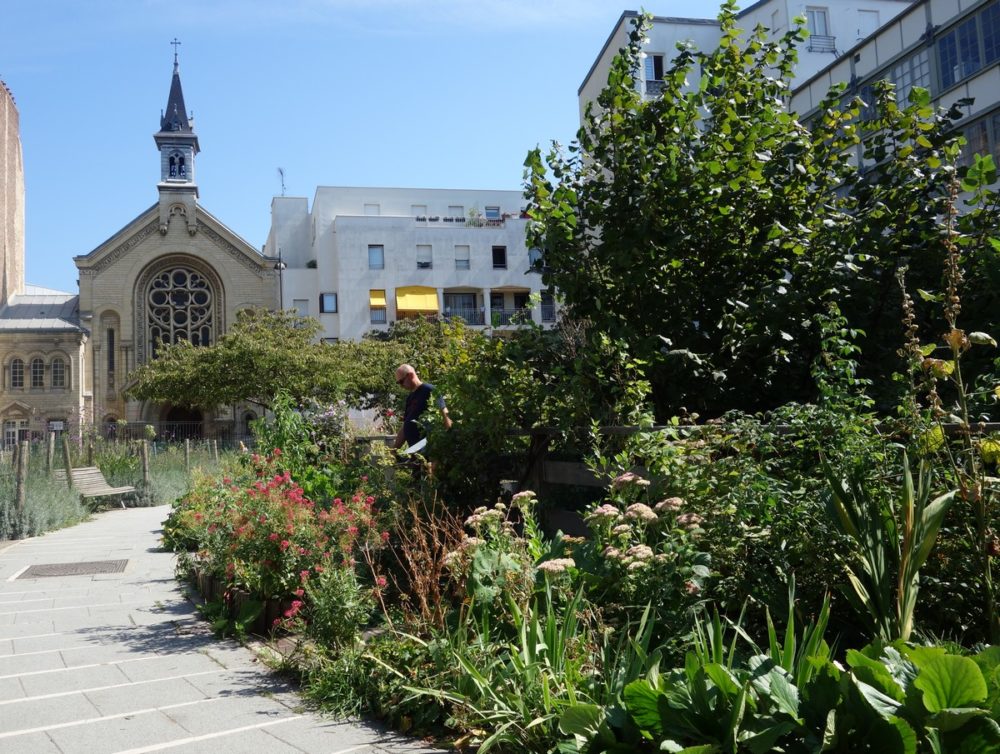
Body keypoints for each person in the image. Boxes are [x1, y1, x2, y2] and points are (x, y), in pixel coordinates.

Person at [392, 364, 452, 450]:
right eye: (398, 383)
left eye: (401, 382)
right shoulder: (410, 398)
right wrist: (394, 450)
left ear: (411, 375)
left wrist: (442, 451)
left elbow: (445, 415)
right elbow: (406, 425)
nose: (401, 386)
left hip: (429, 450)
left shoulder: (429, 390)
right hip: (415, 451)